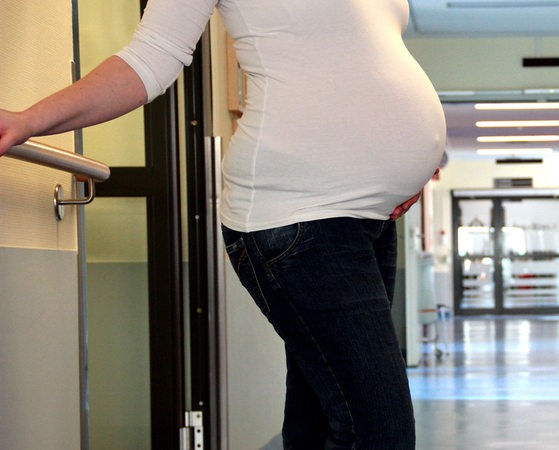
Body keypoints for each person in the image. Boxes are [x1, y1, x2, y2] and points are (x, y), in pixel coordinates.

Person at [0, 1, 445, 448]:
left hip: (371, 218)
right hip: (301, 217)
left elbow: (364, 56)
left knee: (324, 418)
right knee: (377, 429)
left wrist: (406, 165)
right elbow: (148, 59)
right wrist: (27, 122)